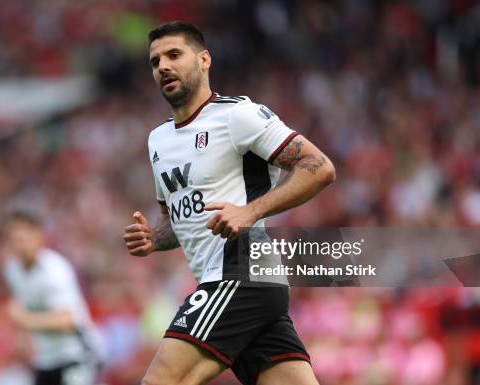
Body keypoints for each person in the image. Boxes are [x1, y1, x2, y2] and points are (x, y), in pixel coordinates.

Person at [123, 21, 336, 385]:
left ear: (204, 60)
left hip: (239, 274)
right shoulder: (157, 140)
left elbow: (319, 168)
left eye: (175, 55)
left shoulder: (238, 115)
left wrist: (251, 211)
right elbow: (181, 220)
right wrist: (154, 239)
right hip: (245, 287)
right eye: (155, 61)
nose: (163, 66)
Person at [3, 210, 100, 385]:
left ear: (39, 237)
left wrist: (27, 321)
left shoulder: (55, 270)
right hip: (46, 359)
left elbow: (68, 320)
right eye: (15, 239)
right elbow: (23, 306)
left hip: (76, 355)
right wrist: (22, 337)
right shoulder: (12, 270)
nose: (19, 245)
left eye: (23, 239)